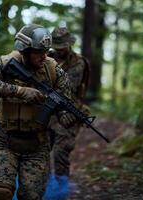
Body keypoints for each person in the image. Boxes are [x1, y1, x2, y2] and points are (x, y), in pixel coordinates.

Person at [0, 24, 76, 200]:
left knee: (31, 196)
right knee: (1, 192)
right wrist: (20, 91)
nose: (44, 56)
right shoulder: (4, 63)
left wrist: (65, 115)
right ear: (25, 50)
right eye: (38, 52)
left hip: (37, 145)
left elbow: (64, 102)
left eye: (46, 51)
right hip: (5, 140)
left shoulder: (54, 70)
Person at [48, 27, 90, 177]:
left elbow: (66, 88)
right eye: (56, 47)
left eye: (62, 47)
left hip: (68, 112)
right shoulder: (46, 57)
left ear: (69, 44)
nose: (59, 50)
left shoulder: (78, 62)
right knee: (41, 154)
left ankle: (60, 191)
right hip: (47, 111)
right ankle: (40, 190)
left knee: (60, 153)